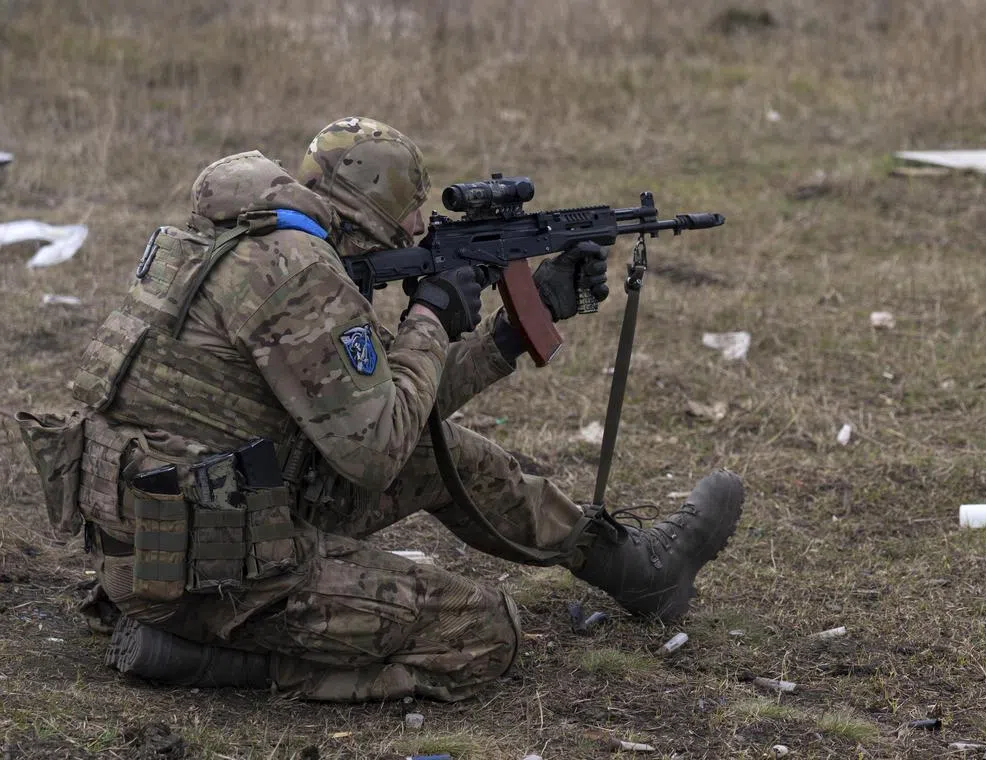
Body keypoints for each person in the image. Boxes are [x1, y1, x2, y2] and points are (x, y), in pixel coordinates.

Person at [18, 116, 744, 702]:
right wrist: (430, 315)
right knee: (484, 635)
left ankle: (639, 570)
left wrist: (513, 329)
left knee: (446, 454)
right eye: (407, 221)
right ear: (370, 216)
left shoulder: (235, 244)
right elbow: (374, 448)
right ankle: (202, 658)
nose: (414, 234)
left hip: (177, 538)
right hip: (209, 572)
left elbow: (380, 413)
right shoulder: (300, 278)